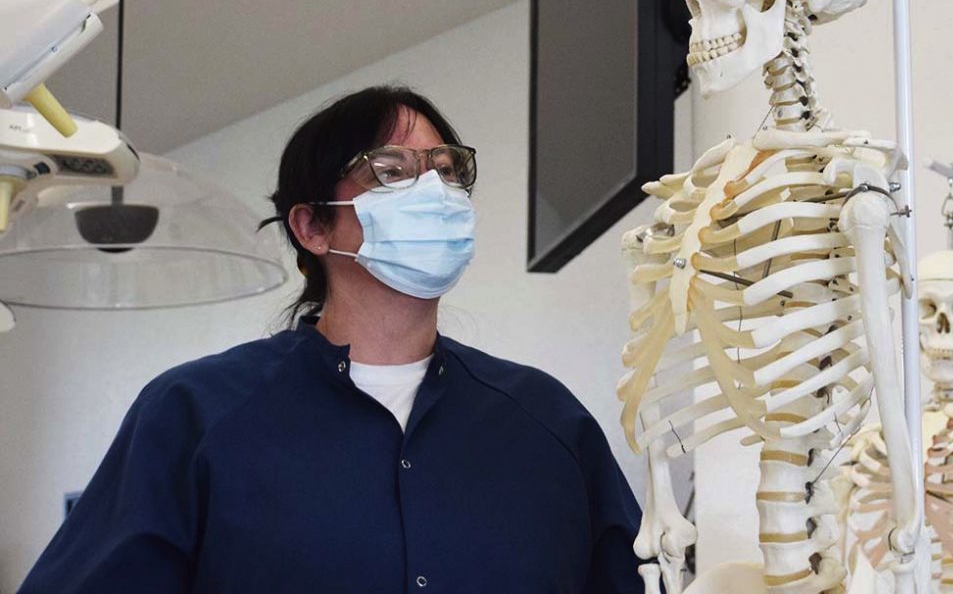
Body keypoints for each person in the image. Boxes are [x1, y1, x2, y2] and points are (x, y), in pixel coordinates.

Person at [19, 85, 644, 593]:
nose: (435, 194)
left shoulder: (548, 421)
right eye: (391, 172)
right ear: (313, 227)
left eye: (448, 173)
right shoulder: (194, 415)